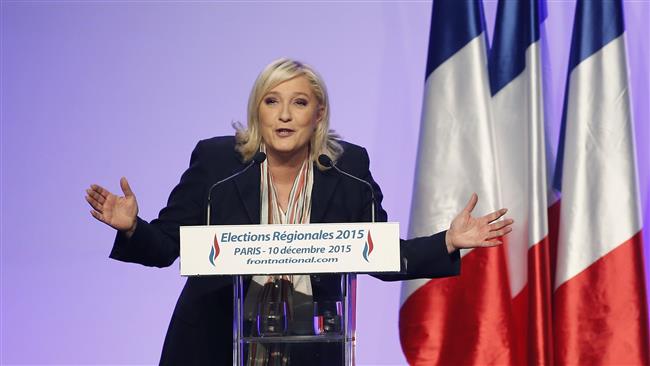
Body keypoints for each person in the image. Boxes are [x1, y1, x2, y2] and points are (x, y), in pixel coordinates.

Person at [85, 58, 513, 365]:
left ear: (319, 113)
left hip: (314, 347)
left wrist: (448, 241)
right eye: (272, 102)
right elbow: (166, 247)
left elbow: (378, 255)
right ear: (258, 110)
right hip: (213, 343)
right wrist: (131, 228)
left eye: (300, 103)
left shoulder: (348, 169)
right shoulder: (217, 164)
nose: (285, 116)